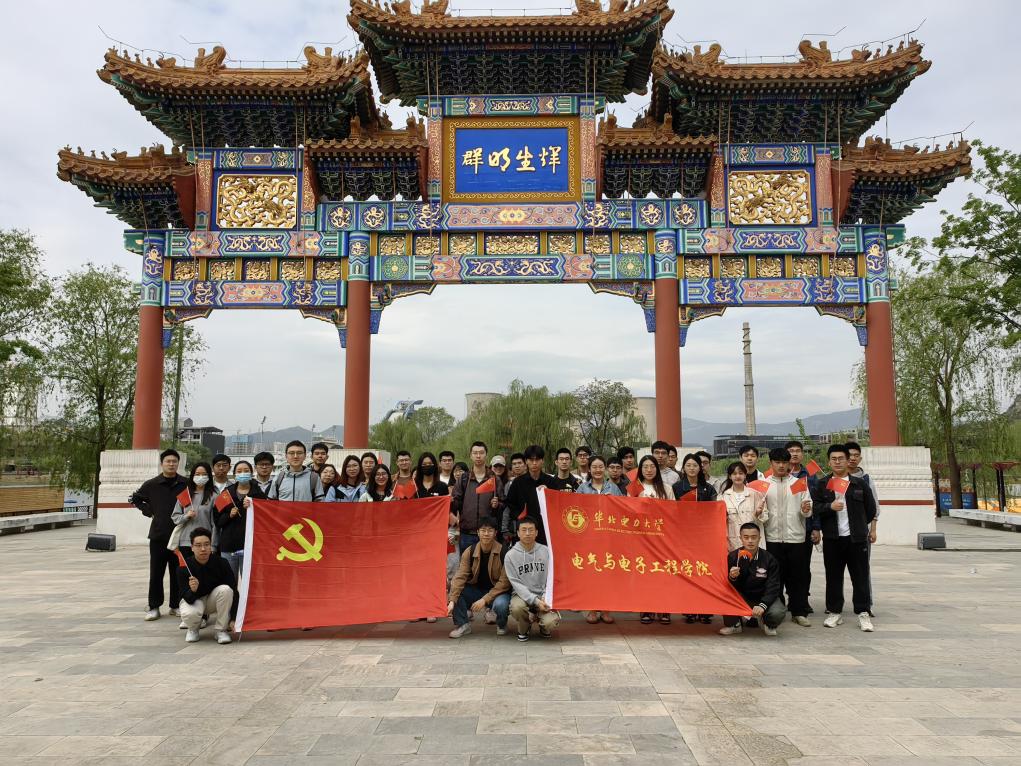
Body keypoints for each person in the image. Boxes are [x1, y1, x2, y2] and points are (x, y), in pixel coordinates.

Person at [812, 444, 878, 632]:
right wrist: (829, 507)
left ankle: (863, 613)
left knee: (860, 577)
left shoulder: (859, 484)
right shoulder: (822, 484)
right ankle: (835, 612)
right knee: (833, 577)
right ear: (829, 462)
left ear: (848, 460)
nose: (838, 462)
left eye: (841, 458)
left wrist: (860, 525)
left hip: (856, 539)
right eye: (834, 459)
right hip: (833, 539)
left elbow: (871, 509)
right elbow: (815, 508)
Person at [130, 449, 189, 621]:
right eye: (168, 461)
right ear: (162, 464)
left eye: (174, 461)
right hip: (158, 535)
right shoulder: (152, 484)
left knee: (178, 572)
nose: (171, 464)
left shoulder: (185, 483)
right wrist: (150, 512)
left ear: (178, 464)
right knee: (156, 573)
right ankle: (154, 606)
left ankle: (175, 605)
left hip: (179, 535)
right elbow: (135, 499)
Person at [762, 447, 813, 627]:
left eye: (784, 462)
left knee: (798, 576)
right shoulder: (764, 485)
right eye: (777, 462)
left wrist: (806, 510)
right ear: (771, 463)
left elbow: (807, 509)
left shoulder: (799, 483)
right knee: (775, 577)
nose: (781, 466)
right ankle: (778, 610)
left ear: (789, 463)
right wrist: (760, 513)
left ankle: (798, 612)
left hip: (796, 538)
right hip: (772, 538)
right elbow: (761, 513)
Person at [446, 517, 512, 638]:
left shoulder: (504, 552)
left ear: (495, 533)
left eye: (490, 530)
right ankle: (463, 625)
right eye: (483, 530)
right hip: (476, 591)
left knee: (501, 604)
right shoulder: (469, 551)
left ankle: (502, 624)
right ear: (478, 532)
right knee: (456, 590)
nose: (486, 534)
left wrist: (484, 600)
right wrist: (452, 600)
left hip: (497, 592)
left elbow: (504, 583)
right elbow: (460, 576)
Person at [577, 455, 621, 625]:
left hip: (609, 539)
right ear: (589, 469)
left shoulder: (613, 488)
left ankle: (606, 609)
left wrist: (612, 502)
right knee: (591, 574)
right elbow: (576, 510)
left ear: (605, 469)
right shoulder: (582, 488)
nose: (597, 470)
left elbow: (622, 510)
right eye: (594, 467)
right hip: (589, 538)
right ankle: (591, 609)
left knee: (608, 574)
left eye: (600, 466)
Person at [719, 523, 785, 636]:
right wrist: (732, 577)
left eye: (754, 537)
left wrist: (763, 604)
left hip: (763, 596)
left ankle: (768, 623)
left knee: (778, 612)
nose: (750, 541)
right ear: (741, 538)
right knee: (723, 598)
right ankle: (734, 624)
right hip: (742, 597)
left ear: (760, 538)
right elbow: (725, 585)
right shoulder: (733, 557)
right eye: (746, 537)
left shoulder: (769, 559)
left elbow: (773, 586)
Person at [674, 454, 718, 625]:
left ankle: (705, 609)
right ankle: (689, 609)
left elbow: (714, 512)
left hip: (704, 537)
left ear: (700, 468)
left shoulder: (708, 489)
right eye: (688, 465)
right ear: (683, 468)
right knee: (687, 572)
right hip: (683, 537)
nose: (692, 468)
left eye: (695, 465)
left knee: (704, 572)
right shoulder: (677, 488)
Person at [176, 527, 238, 644]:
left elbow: (234, 591)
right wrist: (193, 590)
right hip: (194, 601)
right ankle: (193, 629)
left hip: (212, 601)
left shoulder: (222, 563)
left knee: (226, 590)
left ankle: (221, 630)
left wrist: (234, 618)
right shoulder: (185, 567)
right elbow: (184, 596)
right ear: (192, 547)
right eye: (198, 545)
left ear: (211, 545)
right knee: (190, 613)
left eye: (206, 544)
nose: (203, 549)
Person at [633, 455, 673, 626]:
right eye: (645, 467)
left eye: (652, 466)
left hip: (662, 538)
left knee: (663, 574)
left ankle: (664, 609)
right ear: (640, 469)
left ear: (657, 468)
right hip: (642, 538)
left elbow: (674, 511)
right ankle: (646, 608)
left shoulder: (666, 488)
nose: (649, 470)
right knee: (645, 574)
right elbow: (626, 509)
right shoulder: (635, 488)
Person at [505, 516, 560, 641]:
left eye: (531, 530)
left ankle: (544, 626)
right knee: (517, 608)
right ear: (518, 533)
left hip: (542, 595)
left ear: (536, 532)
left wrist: (546, 596)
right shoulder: (510, 555)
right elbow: (516, 584)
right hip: (521, 595)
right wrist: (535, 601)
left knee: (551, 621)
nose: (527, 533)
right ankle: (524, 627)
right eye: (524, 530)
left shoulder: (546, 551)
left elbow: (551, 577)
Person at [214, 460, 265, 580]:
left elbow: (265, 519)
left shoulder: (259, 493)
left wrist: (254, 507)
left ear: (252, 473)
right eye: (239, 471)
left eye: (246, 471)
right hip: (229, 546)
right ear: (234, 474)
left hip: (251, 547)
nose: (243, 473)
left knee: (249, 582)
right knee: (229, 581)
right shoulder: (227, 493)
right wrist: (229, 515)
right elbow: (217, 520)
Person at [786, 440, 820, 615]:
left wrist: (816, 528)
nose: (794, 453)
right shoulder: (776, 476)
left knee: (803, 567)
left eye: (798, 450)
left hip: (805, 529)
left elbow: (816, 503)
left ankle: (802, 600)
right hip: (783, 529)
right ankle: (783, 599)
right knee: (783, 567)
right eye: (791, 451)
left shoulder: (810, 476)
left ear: (802, 454)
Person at [451, 441, 503, 553]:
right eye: (475, 453)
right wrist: (451, 501)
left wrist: (497, 505)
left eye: (481, 453)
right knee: (466, 563)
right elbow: (455, 504)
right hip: (467, 533)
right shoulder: (464, 479)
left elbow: (503, 504)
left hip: (488, 533)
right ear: (470, 455)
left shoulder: (494, 479)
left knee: (489, 563)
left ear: (486, 455)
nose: (478, 456)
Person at [847, 440, 879, 615]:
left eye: (856, 455)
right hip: (839, 533)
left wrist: (872, 529)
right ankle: (834, 605)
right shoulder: (834, 479)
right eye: (849, 455)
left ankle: (867, 604)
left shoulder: (866, 479)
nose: (852, 458)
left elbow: (874, 506)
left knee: (863, 569)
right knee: (836, 570)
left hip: (861, 532)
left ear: (860, 458)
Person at [504, 445, 556, 545]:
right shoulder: (518, 482)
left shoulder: (551, 482)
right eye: (531, 460)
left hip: (546, 529)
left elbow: (557, 504)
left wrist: (549, 493)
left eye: (537, 459)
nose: (534, 463)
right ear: (526, 461)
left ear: (542, 461)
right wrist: (520, 517)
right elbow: (510, 504)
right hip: (525, 529)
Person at [171, 462, 215, 563]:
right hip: (186, 542)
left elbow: (215, 524)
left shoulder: (214, 496)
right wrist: (186, 516)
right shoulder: (185, 495)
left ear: (209, 476)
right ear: (192, 476)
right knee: (188, 571)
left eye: (204, 474)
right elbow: (175, 518)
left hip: (205, 543)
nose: (201, 477)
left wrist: (213, 544)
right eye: (197, 474)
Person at [720, 462, 767, 552]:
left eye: (741, 473)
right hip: (733, 542)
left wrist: (758, 514)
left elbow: (765, 518)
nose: (738, 476)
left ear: (745, 475)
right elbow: (720, 523)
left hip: (753, 541)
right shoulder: (723, 497)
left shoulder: (755, 494)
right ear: (730, 476)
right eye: (734, 474)